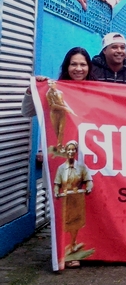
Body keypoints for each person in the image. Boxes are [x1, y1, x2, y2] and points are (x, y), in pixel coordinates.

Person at [54, 140, 93, 268]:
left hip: (77, 199)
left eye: (73, 150)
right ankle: (63, 250)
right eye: (69, 149)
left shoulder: (81, 168)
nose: (71, 152)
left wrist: (88, 187)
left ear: (76, 152)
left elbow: (89, 180)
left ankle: (72, 244)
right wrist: (56, 192)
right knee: (66, 223)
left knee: (75, 223)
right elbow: (57, 184)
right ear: (66, 151)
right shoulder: (61, 168)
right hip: (66, 199)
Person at [22, 47, 93, 118]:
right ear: (67, 67)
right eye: (73, 64)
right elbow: (27, 112)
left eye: (83, 64)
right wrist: (33, 89)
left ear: (89, 67)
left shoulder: (97, 92)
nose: (78, 69)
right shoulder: (54, 90)